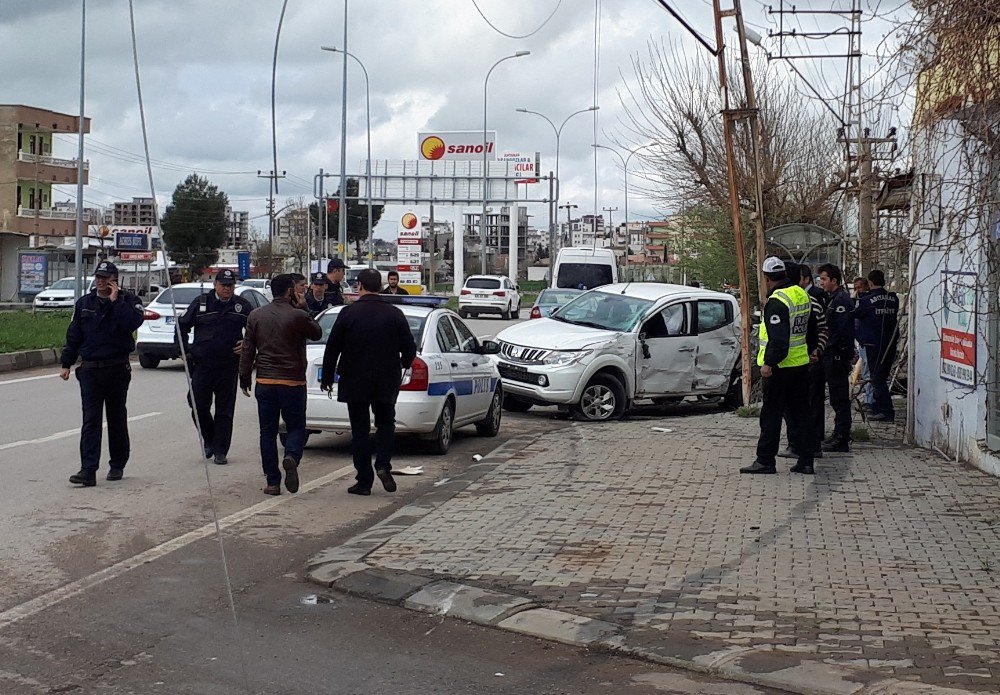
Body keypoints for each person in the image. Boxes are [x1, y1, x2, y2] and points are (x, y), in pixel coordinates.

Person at [321, 269, 417, 496]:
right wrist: (404, 362)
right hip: (386, 379)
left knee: (360, 429)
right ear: (380, 286)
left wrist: (327, 377)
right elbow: (410, 348)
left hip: (355, 380)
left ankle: (364, 480)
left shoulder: (348, 313)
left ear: (360, 286)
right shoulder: (394, 314)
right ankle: (383, 464)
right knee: (385, 423)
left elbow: (332, 347)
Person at [60, 261, 145, 486]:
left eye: (105, 277)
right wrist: (66, 363)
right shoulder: (85, 303)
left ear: (114, 280)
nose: (100, 281)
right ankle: (88, 470)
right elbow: (74, 335)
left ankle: (117, 464)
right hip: (90, 370)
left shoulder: (129, 302)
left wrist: (115, 302)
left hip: (116, 368)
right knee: (91, 421)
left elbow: (130, 324)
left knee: (116, 417)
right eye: (98, 277)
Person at [239, 273, 322, 495]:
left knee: (267, 432)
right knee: (296, 426)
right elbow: (317, 333)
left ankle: (272, 483)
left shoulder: (256, 315)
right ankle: (291, 456)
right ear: (289, 292)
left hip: (265, 381)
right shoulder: (298, 315)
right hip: (292, 381)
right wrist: (304, 309)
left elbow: (248, 349)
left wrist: (244, 378)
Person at [741, 256, 818, 475]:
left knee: (771, 415)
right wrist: (812, 351)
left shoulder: (777, 301)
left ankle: (765, 460)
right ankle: (806, 460)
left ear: (766, 278)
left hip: (780, 368)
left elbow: (779, 339)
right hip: (801, 365)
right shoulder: (801, 294)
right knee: (802, 413)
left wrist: (769, 363)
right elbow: (811, 328)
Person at [177, 268, 253, 465]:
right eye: (223, 285)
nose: (227, 289)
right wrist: (184, 352)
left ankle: (220, 450)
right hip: (203, 364)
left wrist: (246, 344)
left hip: (228, 366)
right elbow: (181, 326)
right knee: (197, 405)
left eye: (230, 285)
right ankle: (210, 438)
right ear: (215, 285)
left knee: (225, 411)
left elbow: (257, 329)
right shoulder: (202, 303)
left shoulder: (241, 306)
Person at [780, 261, 827, 461]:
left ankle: (804, 445)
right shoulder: (802, 300)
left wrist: (816, 351)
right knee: (800, 407)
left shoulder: (803, 301)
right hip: (800, 361)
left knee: (801, 407)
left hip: (800, 363)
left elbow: (822, 329)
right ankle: (804, 445)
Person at [816, 263, 855, 452]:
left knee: (839, 398)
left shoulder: (841, 301)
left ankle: (842, 437)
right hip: (830, 354)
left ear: (834, 280)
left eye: (824, 279)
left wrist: (838, 353)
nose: (821, 283)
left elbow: (842, 331)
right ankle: (838, 434)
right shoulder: (831, 299)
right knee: (835, 398)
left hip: (837, 356)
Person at [854, 269, 899, 422]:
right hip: (890, 343)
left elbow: (856, 314)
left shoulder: (867, 300)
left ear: (870, 283)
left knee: (876, 378)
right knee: (882, 376)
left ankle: (885, 411)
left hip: (873, 344)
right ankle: (878, 408)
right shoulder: (893, 299)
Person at [852, 277, 874, 409]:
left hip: (867, 341)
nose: (857, 291)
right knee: (865, 371)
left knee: (868, 372)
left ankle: (869, 400)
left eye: (859, 287)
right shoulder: (857, 301)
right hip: (860, 341)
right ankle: (868, 398)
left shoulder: (866, 301)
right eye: (855, 288)